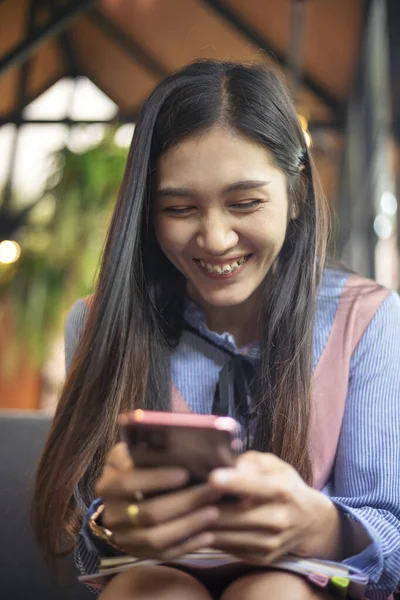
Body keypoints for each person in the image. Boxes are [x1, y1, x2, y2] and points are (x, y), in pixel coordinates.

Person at [32, 60, 400, 600]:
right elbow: (93, 547)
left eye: (245, 203)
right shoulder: (99, 323)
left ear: (297, 193)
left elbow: (392, 536)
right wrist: (111, 523)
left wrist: (320, 525)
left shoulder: (366, 320)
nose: (215, 238)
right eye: (179, 208)